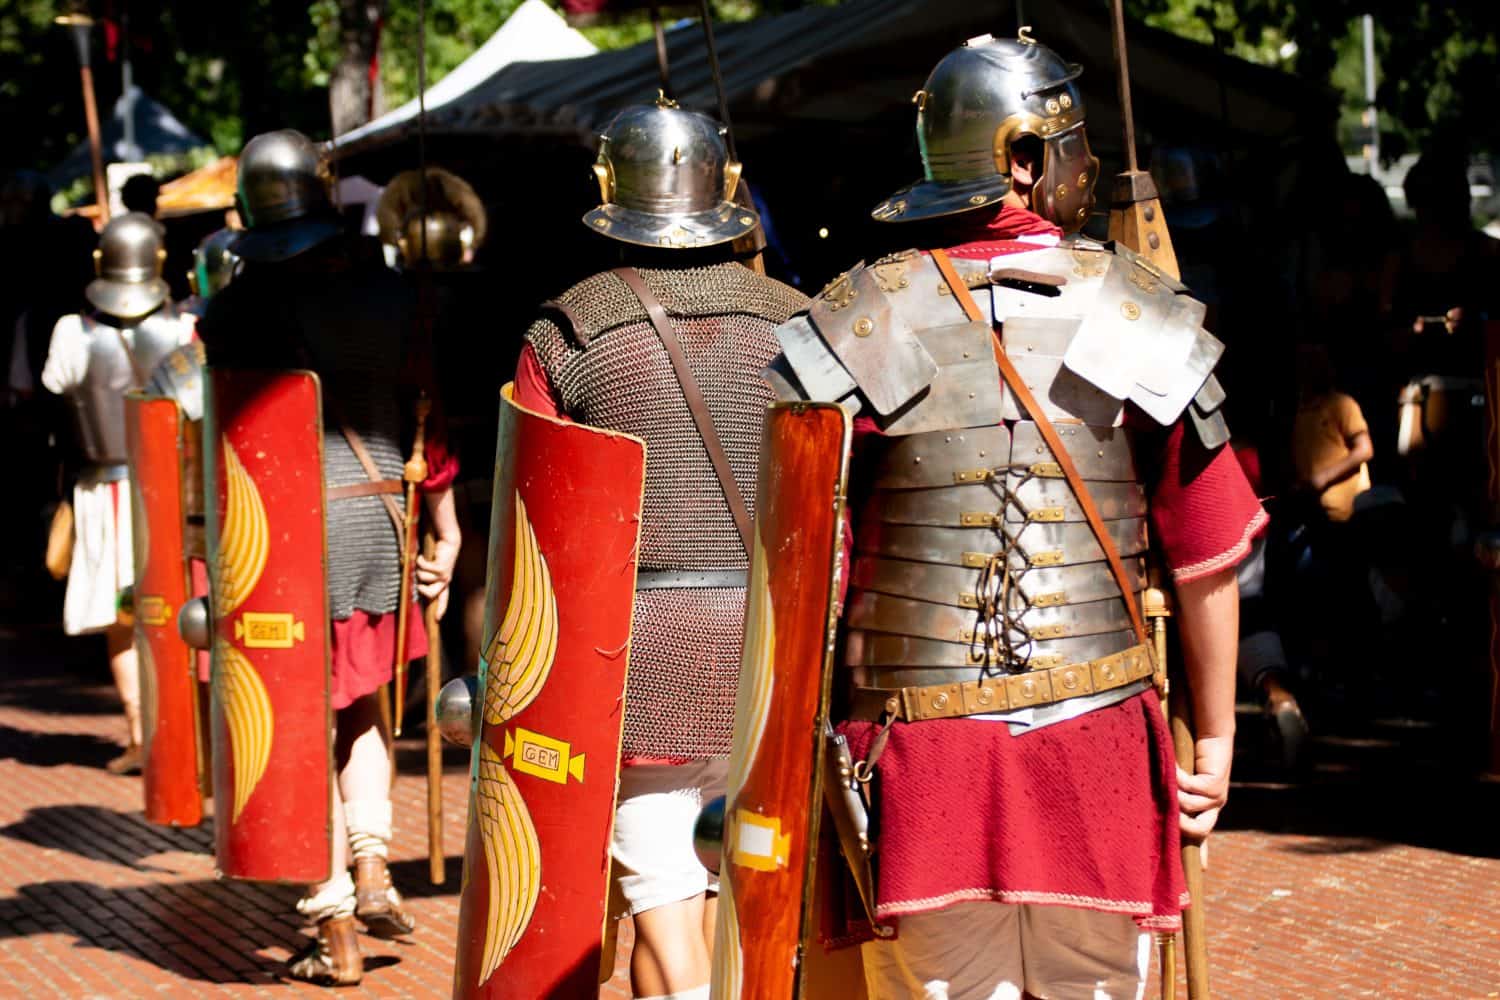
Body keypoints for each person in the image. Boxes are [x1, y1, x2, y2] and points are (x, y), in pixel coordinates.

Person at [767, 33, 1265, 998]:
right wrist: (1216, 742)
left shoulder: (853, 321)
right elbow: (1205, 554)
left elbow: (803, 567)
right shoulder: (1140, 311)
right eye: (1072, 142)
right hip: (1098, 736)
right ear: (1027, 158)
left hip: (918, 748)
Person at [509, 97, 807, 1000]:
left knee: (663, 890)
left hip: (633, 650)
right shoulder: (803, 320)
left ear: (609, 188)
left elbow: (535, 527)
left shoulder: (570, 330)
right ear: (726, 189)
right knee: (714, 880)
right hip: (771, 644)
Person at [198, 129, 462, 986]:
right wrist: (445, 526)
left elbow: (227, 441)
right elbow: (427, 420)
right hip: (383, 521)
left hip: (278, 540)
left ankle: (332, 921)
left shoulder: (236, 310)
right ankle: (373, 857)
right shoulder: (395, 296)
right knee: (364, 710)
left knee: (292, 727)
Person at [41, 211, 194, 774]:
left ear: (102, 263)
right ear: (157, 261)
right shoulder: (183, 329)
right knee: (171, 608)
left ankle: (141, 736)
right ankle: (172, 730)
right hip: (169, 490)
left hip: (103, 491)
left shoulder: (70, 332)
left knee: (121, 616)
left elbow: (56, 386)